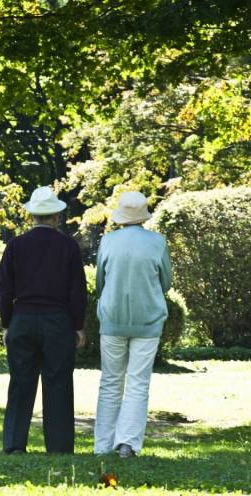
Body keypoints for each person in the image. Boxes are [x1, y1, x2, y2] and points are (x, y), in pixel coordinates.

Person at [0, 186, 87, 454]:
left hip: (23, 319)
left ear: (32, 216)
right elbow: (77, 290)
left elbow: (5, 289)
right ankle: (59, 447)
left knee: (20, 384)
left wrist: (6, 324)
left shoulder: (15, 245)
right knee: (58, 383)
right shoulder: (68, 246)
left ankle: (14, 445)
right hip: (57, 321)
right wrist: (79, 325)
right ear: (56, 217)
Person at [93, 191, 171, 458]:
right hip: (148, 320)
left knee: (110, 382)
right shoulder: (157, 242)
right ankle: (127, 443)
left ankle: (102, 445)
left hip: (113, 318)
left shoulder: (108, 241)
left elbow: (100, 282)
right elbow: (166, 282)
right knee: (138, 381)